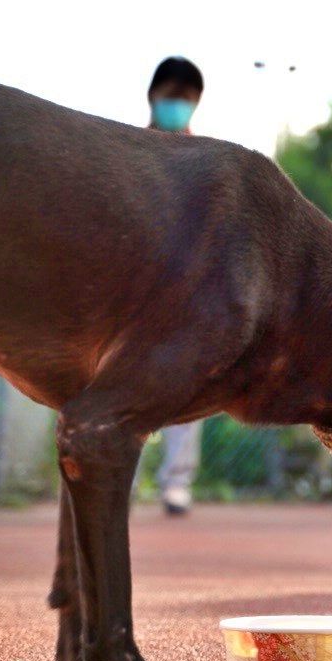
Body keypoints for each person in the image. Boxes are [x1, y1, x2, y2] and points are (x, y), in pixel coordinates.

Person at [146, 56, 205, 516]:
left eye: (186, 99)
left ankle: (176, 484)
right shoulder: (126, 148)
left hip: (182, 293)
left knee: (188, 395)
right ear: (153, 96)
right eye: (172, 97)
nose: (177, 106)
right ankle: (113, 478)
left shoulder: (202, 157)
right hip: (131, 291)